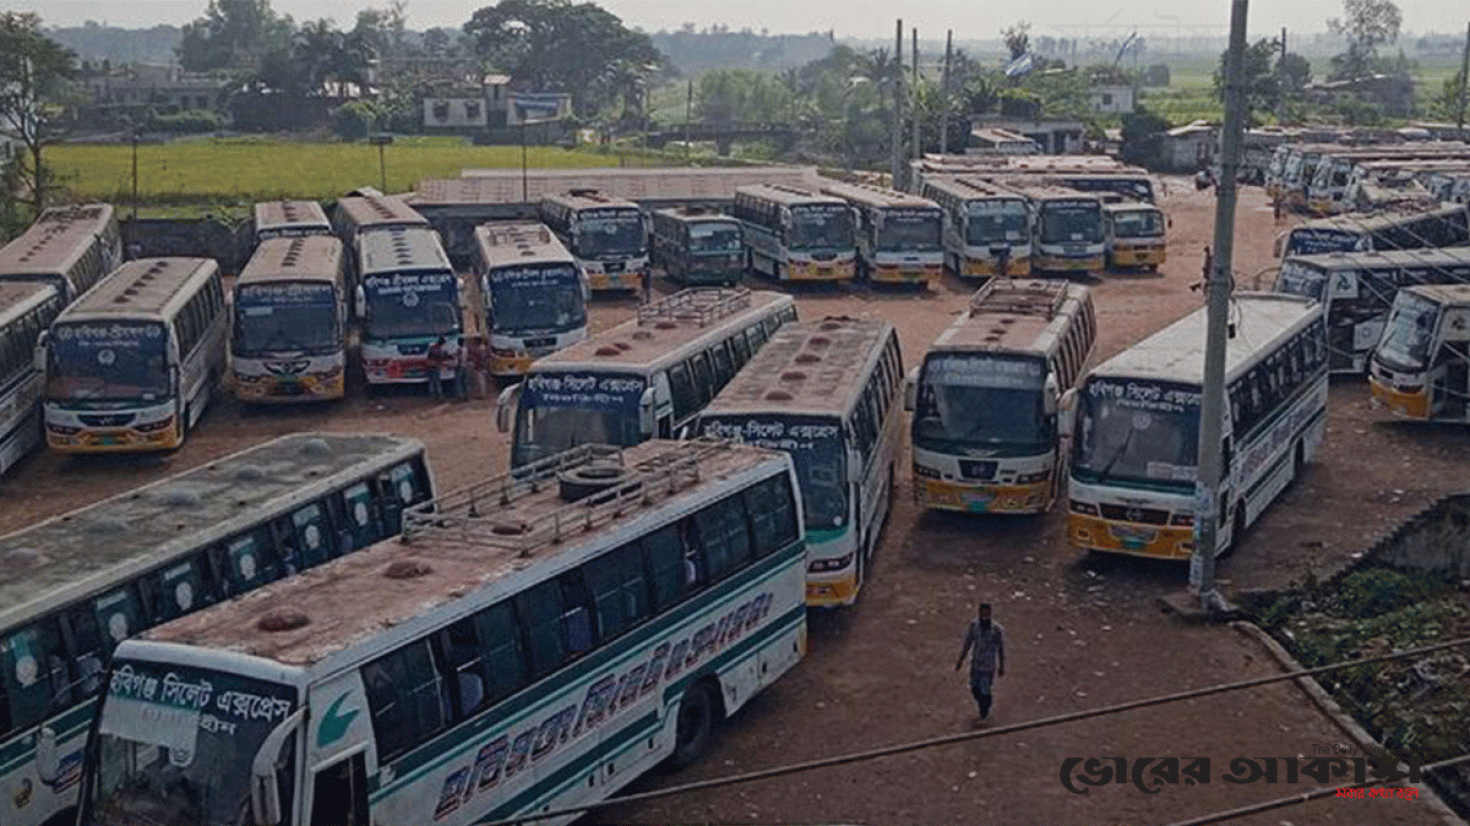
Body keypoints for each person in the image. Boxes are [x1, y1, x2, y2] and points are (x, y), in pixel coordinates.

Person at [954, 602, 1005, 722]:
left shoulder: (996, 630)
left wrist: (1001, 666)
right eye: (982, 612)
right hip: (976, 664)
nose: (984, 615)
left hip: (988, 666)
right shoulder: (974, 626)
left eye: (987, 612)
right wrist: (961, 660)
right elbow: (968, 643)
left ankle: (984, 712)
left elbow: (1000, 648)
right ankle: (984, 705)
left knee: (984, 690)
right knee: (974, 688)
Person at [464, 334, 490, 401]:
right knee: (480, 381)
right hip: (480, 365)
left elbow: (481, 357)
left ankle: (482, 395)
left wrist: (477, 362)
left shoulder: (480, 348)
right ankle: (481, 394)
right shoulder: (482, 347)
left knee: (480, 381)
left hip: (479, 366)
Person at [425, 336, 451, 400]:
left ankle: (433, 396)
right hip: (436, 367)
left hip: (430, 366)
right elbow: (441, 360)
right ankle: (440, 396)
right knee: (438, 382)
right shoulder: (440, 350)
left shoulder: (432, 348)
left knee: (431, 383)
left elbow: (428, 357)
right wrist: (447, 365)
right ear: (442, 343)